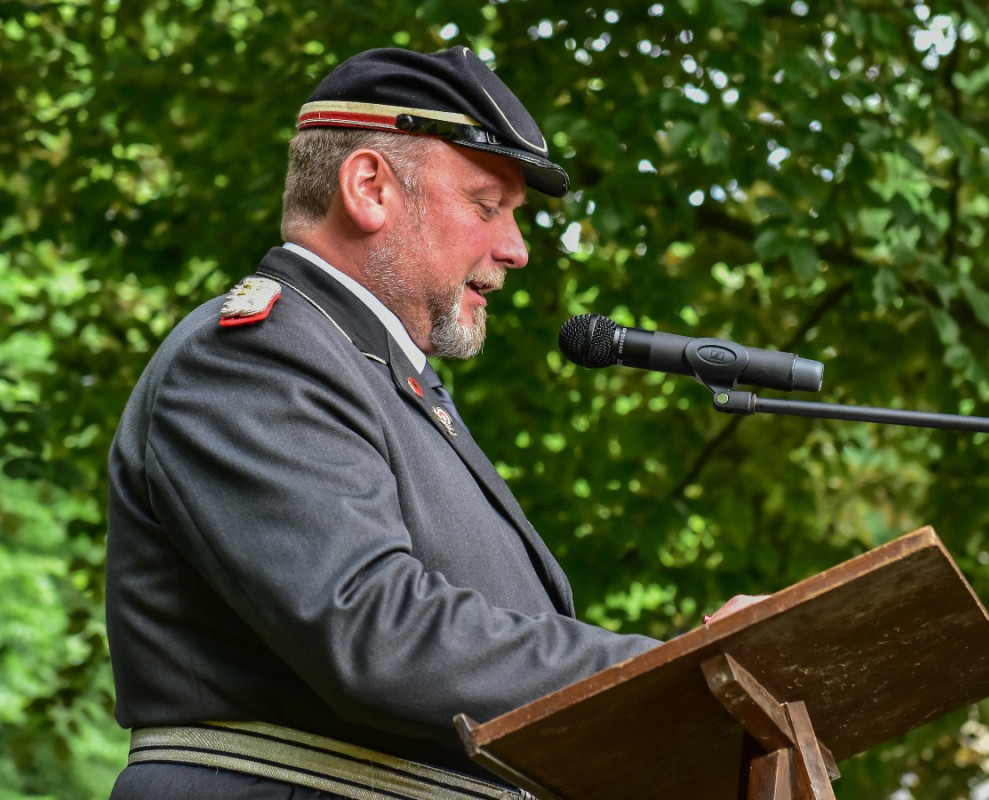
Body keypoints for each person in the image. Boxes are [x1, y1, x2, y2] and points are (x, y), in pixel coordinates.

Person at [105, 46, 667, 800]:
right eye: (485, 205)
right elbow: (375, 631)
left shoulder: (375, 374)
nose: (517, 250)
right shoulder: (253, 358)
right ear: (370, 187)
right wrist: (674, 671)